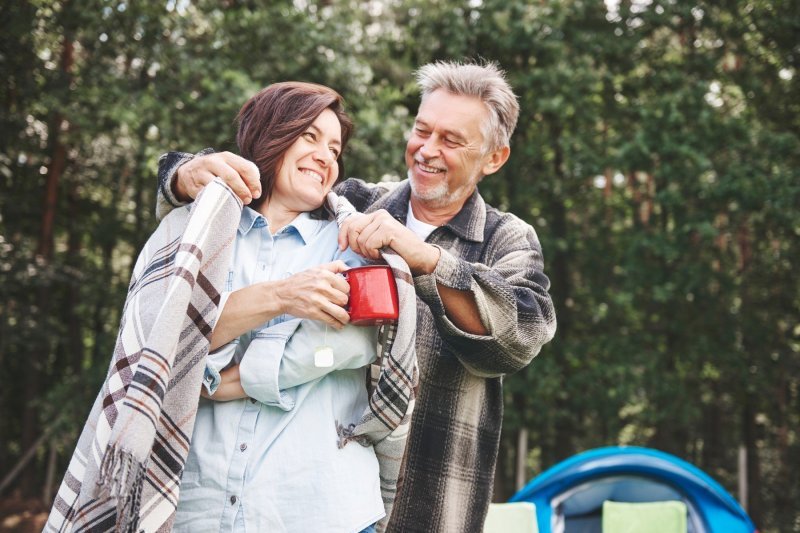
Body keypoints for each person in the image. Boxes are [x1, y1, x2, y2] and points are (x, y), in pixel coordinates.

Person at [157, 60, 557, 532]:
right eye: (421, 130)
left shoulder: (506, 237)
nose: (426, 151)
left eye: (450, 140)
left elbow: (522, 334)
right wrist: (183, 174)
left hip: (433, 496)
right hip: (327, 496)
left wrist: (424, 259)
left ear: (494, 158)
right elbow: (263, 178)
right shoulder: (350, 203)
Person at [47, 82, 416, 533]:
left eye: (335, 149)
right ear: (271, 135)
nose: (326, 157)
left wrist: (225, 379)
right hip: (196, 506)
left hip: (318, 506)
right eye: (310, 137)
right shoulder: (192, 238)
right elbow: (162, 345)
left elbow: (351, 345)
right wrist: (282, 298)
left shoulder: (350, 244)